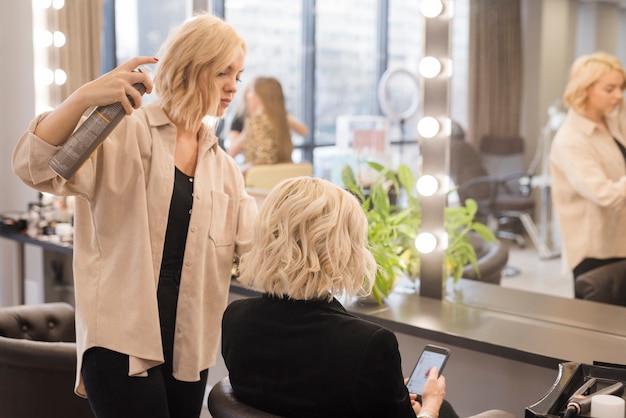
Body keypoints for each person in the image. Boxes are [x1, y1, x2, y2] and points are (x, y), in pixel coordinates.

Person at [12, 13, 258, 418]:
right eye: (222, 73)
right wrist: (83, 97)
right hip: (119, 341)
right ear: (191, 66)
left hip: (188, 348)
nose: (233, 85)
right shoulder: (124, 129)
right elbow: (34, 167)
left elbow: (255, 248)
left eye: (238, 74)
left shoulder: (225, 169)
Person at [221, 176, 457, 418]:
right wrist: (430, 406)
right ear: (343, 248)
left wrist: (389, 392)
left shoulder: (236, 318)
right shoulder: (369, 344)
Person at [550, 51, 626, 285]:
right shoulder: (571, 140)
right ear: (585, 88)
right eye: (610, 89)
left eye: (621, 87)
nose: (619, 95)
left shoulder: (612, 121)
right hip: (596, 252)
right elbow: (605, 194)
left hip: (620, 241)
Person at [226, 76, 307, 170]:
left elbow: (304, 131)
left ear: (261, 96)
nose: (247, 95)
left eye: (251, 92)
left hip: (266, 174)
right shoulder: (241, 119)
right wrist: (249, 129)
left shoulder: (281, 117)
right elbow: (231, 151)